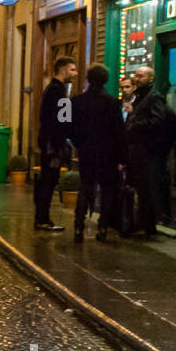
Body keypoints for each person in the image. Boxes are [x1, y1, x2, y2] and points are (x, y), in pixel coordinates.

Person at [70, 63, 127, 243]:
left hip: (87, 152)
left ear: (88, 79)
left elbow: (72, 129)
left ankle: (78, 226)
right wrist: (121, 157)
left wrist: (79, 145)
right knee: (107, 190)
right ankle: (102, 227)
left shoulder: (76, 102)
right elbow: (119, 131)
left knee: (86, 188)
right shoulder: (112, 103)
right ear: (105, 81)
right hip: (108, 153)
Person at [124, 65, 169, 236]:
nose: (136, 78)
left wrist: (136, 125)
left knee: (147, 188)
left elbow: (158, 121)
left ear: (150, 78)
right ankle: (143, 222)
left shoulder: (154, 97)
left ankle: (149, 224)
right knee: (140, 188)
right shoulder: (140, 96)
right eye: (136, 75)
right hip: (137, 150)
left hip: (147, 151)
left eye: (141, 76)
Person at [35, 56, 78, 231]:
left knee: (48, 180)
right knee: (49, 181)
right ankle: (42, 219)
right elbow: (64, 119)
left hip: (49, 141)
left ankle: (42, 218)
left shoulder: (53, 89)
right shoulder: (58, 90)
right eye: (72, 69)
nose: (75, 73)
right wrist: (68, 140)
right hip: (53, 144)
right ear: (63, 70)